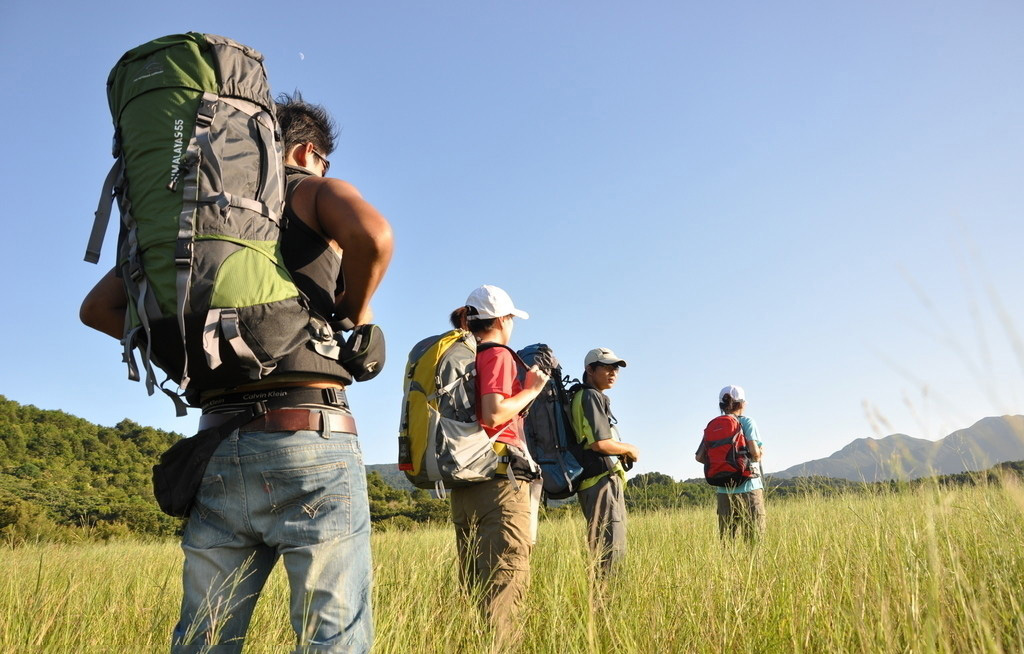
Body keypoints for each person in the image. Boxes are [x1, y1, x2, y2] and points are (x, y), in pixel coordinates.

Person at [80, 93, 393, 654]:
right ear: (303, 150)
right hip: (309, 435)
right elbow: (375, 235)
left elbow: (98, 309)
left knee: (204, 638)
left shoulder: (193, 218)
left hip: (216, 443)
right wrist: (358, 314)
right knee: (333, 636)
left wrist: (194, 363)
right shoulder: (308, 188)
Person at [447, 285, 548, 639]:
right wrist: (531, 389)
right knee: (504, 588)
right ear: (504, 319)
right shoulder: (497, 355)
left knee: (477, 588)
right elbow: (493, 413)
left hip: (465, 482)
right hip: (499, 484)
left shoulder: (464, 355)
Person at [570, 347, 639, 576]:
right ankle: (607, 604)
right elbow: (601, 443)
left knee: (602, 547)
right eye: (607, 367)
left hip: (594, 481)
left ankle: (601, 602)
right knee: (611, 551)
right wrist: (630, 449)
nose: (613, 373)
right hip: (600, 482)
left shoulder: (583, 395)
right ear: (589, 369)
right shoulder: (591, 396)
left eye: (616, 369)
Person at [698, 384, 765, 542]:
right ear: (741, 403)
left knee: (728, 543)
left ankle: (728, 568)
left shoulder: (713, 425)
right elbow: (755, 454)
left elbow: (700, 457)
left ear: (722, 404)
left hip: (724, 491)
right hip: (749, 487)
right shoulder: (747, 422)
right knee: (754, 541)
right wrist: (760, 453)